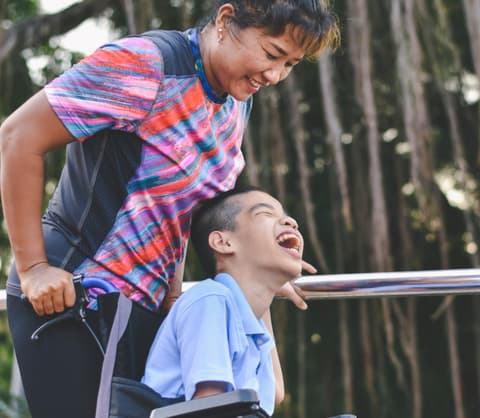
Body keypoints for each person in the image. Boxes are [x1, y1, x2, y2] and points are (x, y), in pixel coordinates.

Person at [0, 1, 339, 416]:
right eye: (271, 53)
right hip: (76, 288)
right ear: (226, 20)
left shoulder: (235, 102)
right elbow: (18, 136)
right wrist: (34, 267)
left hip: (146, 305)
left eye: (290, 64)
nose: (274, 76)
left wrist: (259, 268)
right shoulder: (147, 65)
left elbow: (187, 205)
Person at [142, 185, 302, 415]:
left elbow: (274, 394)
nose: (291, 222)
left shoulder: (250, 321)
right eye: (266, 214)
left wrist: (267, 286)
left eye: (287, 217)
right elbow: (210, 407)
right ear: (223, 242)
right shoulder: (210, 300)